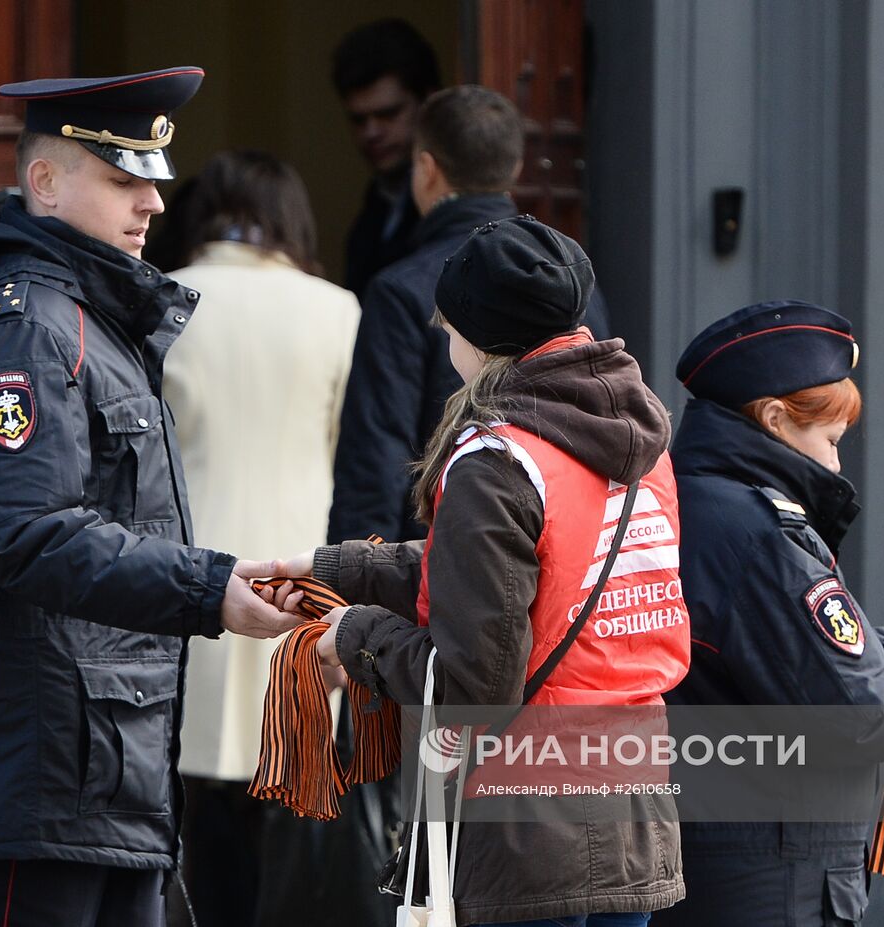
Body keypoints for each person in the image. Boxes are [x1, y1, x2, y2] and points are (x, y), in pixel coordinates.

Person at [0, 68, 302, 927]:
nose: (153, 201)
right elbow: (25, 531)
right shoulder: (25, 327)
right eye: (123, 178)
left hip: (103, 778)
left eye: (154, 178)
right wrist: (206, 587)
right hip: (40, 780)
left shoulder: (89, 320)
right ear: (43, 182)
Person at [272, 215, 689, 927]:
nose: (443, 337)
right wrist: (340, 568)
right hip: (631, 820)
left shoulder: (496, 459)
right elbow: (536, 578)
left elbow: (473, 682)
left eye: (449, 324)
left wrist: (353, 635)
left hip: (523, 835)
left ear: (482, 336)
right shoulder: (634, 441)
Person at [654, 300, 884, 927]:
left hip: (704, 854)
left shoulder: (678, 501)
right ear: (775, 419)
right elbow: (858, 711)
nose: (835, 463)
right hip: (771, 876)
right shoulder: (759, 534)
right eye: (829, 440)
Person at [148, 150, 361, 927]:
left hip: (190, 579)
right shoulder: (338, 310)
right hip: (302, 583)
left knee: (191, 807)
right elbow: (353, 453)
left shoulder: (167, 304)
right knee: (293, 811)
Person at [328, 85, 611, 546]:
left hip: (443, 564)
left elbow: (376, 460)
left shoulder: (400, 290)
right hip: (564, 550)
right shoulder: (577, 283)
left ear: (426, 168)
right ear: (515, 169)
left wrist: (349, 585)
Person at [331, 18, 441, 295]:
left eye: (388, 114)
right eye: (358, 120)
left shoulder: (445, 206)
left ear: (428, 103)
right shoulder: (372, 213)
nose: (372, 132)